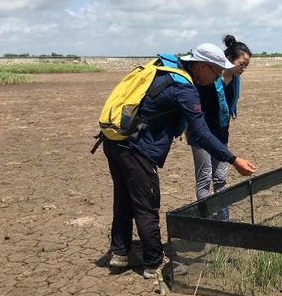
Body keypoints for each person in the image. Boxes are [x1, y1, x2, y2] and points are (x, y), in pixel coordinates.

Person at [105, 43, 256, 279]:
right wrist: (233, 159)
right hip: (136, 148)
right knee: (147, 204)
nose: (216, 77)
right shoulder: (183, 87)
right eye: (215, 72)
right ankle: (154, 264)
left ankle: (120, 253)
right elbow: (202, 133)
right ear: (201, 66)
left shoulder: (166, 68)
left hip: (115, 140)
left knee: (124, 198)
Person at [190, 35, 251, 214]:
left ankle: (223, 223)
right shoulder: (207, 78)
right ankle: (207, 223)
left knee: (221, 179)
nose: (244, 68)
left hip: (221, 133)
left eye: (247, 65)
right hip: (201, 134)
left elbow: (228, 105)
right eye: (242, 64)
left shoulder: (235, 80)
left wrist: (226, 119)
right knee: (204, 179)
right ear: (229, 60)